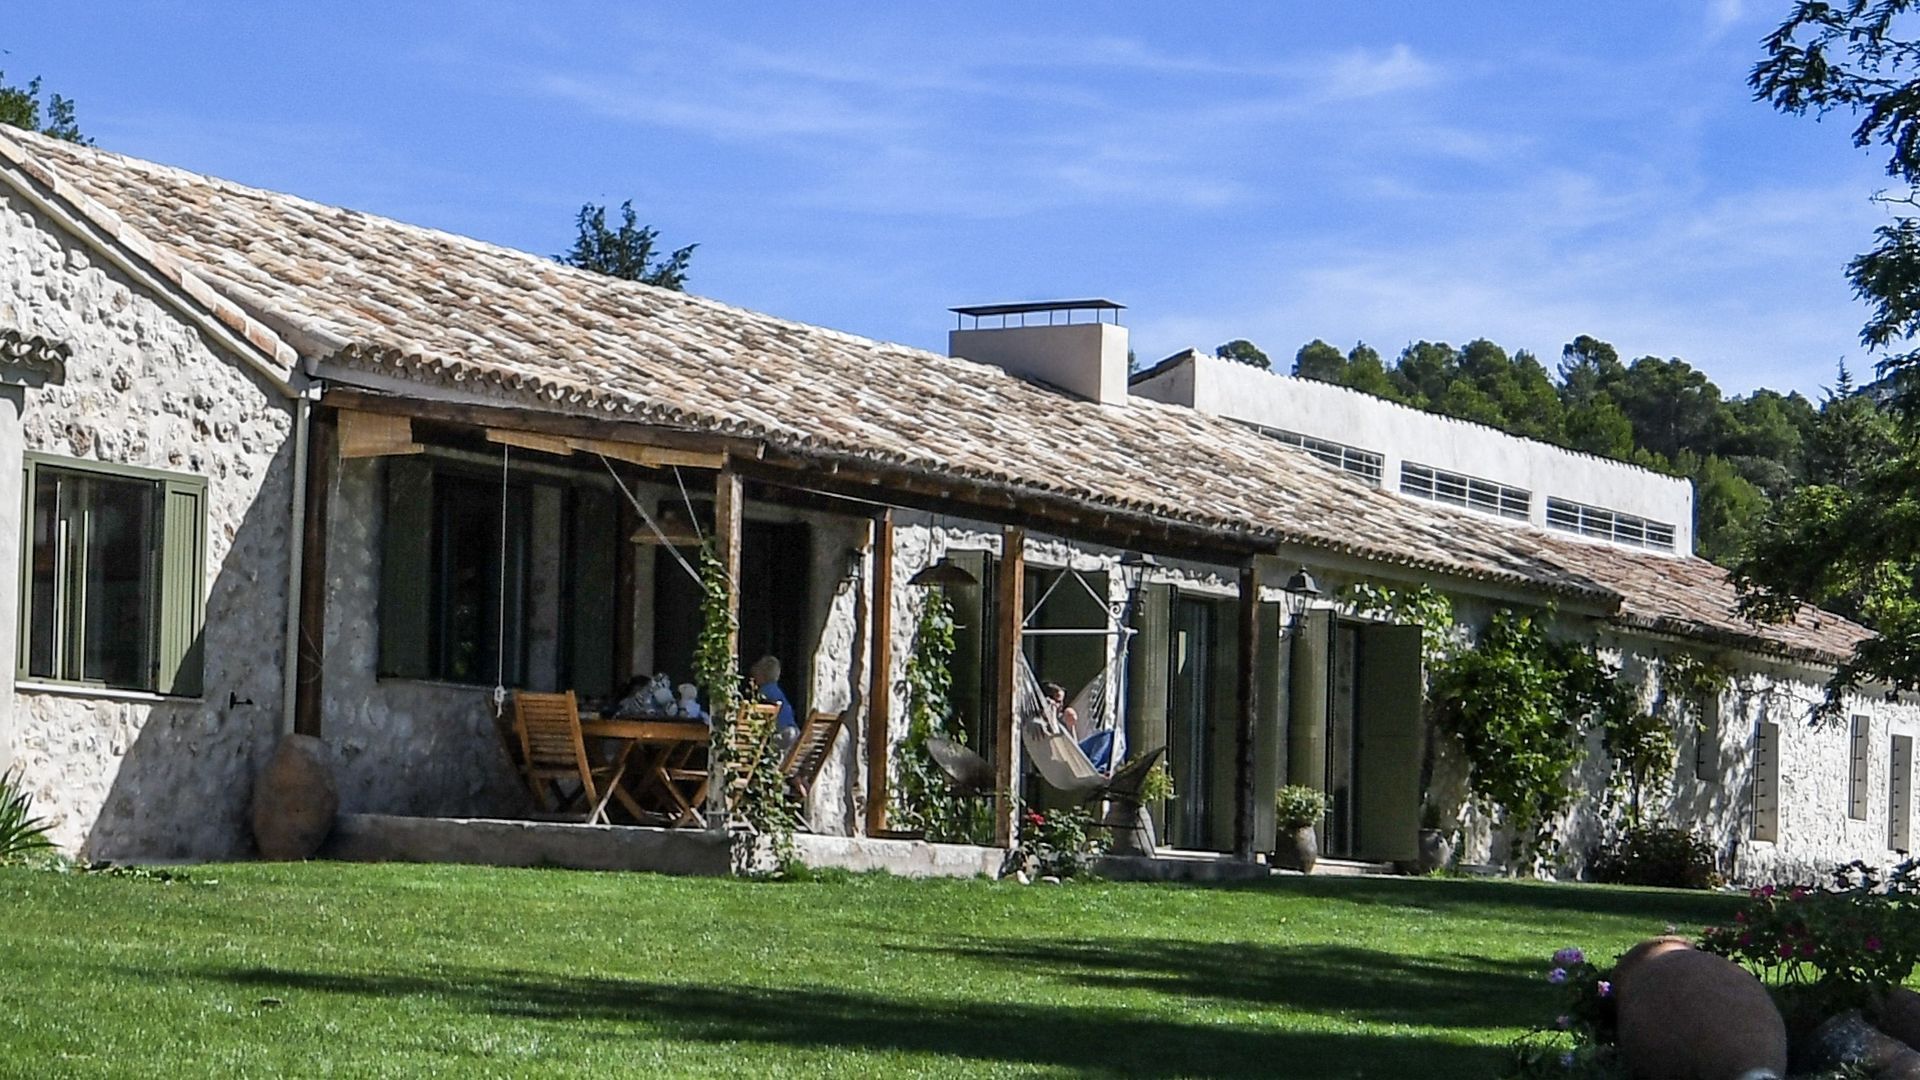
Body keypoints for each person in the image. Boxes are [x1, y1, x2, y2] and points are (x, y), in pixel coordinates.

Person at [751, 654, 799, 756]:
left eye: (756, 674)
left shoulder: (764, 693)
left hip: (781, 734)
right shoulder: (775, 690)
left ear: (762, 675)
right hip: (794, 733)